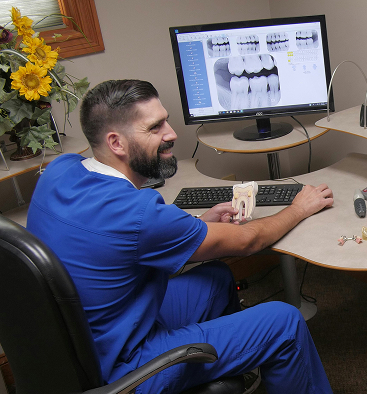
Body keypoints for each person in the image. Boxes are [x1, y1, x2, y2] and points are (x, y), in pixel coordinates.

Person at [26, 79, 334, 394]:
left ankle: (235, 366)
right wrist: (298, 208)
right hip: (123, 368)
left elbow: (117, 237)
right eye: (155, 127)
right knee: (284, 323)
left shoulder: (61, 169)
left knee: (215, 278)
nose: (171, 133)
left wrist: (198, 223)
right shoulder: (139, 214)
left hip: (84, 339)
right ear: (116, 143)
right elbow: (248, 242)